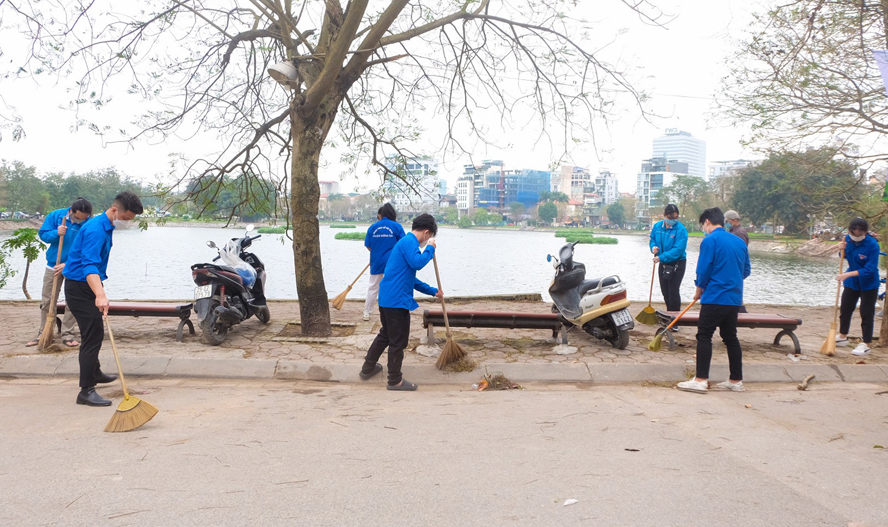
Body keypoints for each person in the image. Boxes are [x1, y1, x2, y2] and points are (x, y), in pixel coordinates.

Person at [63, 191, 144, 406]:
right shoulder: (96, 230)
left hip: (86, 284)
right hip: (79, 288)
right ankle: (86, 391)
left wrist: (98, 291)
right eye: (126, 219)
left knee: (95, 330)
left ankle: (95, 372)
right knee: (92, 336)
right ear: (115, 210)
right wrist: (100, 294)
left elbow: (82, 256)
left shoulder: (104, 225)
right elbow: (88, 264)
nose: (126, 223)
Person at [359, 213, 442, 391]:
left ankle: (368, 368)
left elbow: (411, 278)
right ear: (427, 233)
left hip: (388, 299)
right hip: (396, 302)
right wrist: (430, 249)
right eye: (430, 237)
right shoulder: (409, 243)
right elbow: (418, 262)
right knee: (398, 341)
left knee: (386, 336)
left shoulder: (403, 243)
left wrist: (433, 291)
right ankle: (394, 380)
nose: (428, 240)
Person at [677, 207, 751, 394]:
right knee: (730, 337)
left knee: (704, 335)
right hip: (734, 298)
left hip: (715, 297)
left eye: (703, 224)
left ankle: (701, 379)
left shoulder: (710, 240)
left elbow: (703, 270)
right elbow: (746, 270)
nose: (704, 227)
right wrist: (731, 280)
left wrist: (699, 289)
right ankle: (736, 380)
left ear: (708, 222)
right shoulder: (739, 241)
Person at [26, 198, 93, 348]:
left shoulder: (89, 223)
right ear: (71, 211)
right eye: (77, 218)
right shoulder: (56, 216)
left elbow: (88, 249)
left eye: (84, 218)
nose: (79, 221)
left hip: (75, 267)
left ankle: (68, 333)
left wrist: (68, 264)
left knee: (73, 303)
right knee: (48, 300)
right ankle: (43, 332)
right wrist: (56, 233)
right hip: (54, 265)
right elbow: (43, 235)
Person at [835, 217, 880, 356]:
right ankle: (842, 336)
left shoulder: (872, 245)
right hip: (851, 283)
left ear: (865, 232)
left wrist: (848, 275)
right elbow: (845, 257)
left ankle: (866, 343)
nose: (856, 235)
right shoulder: (847, 240)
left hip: (869, 284)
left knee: (866, 313)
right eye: (854, 232)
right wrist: (840, 250)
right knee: (846, 309)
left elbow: (870, 269)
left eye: (859, 233)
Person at [362, 203, 405, 321]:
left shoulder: (373, 227)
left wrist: (377, 252)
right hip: (393, 262)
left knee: (373, 287)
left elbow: (368, 246)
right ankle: (393, 311)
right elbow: (403, 245)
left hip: (377, 261)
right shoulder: (397, 227)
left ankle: (367, 312)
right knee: (393, 286)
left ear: (380, 215)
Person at [649, 203, 689, 313]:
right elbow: (652, 239)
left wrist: (661, 257)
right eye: (671, 217)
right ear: (664, 215)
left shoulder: (681, 230)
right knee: (665, 290)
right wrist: (653, 248)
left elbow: (678, 249)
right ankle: (669, 313)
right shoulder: (657, 226)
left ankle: (675, 318)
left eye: (676, 218)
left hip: (677, 263)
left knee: (673, 290)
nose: (673, 220)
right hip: (663, 262)